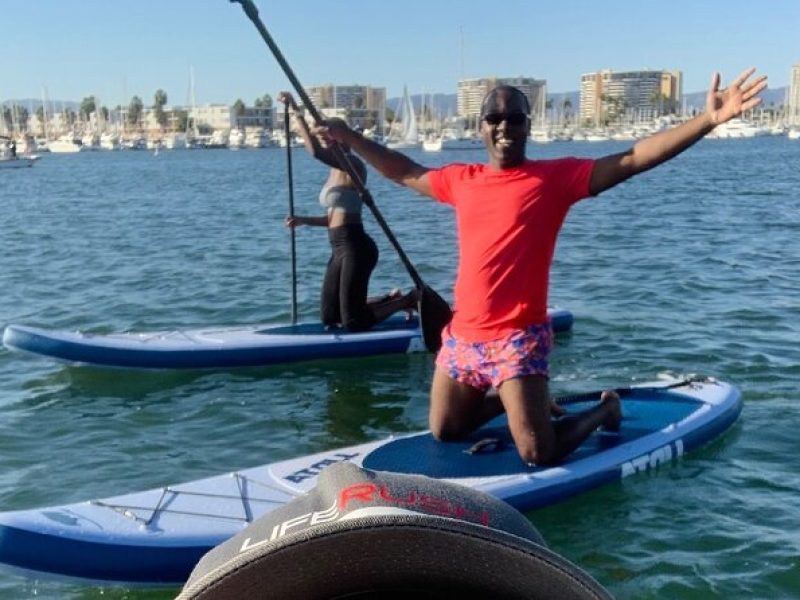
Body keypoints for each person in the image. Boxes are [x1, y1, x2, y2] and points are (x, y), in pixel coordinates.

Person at [313, 68, 767, 465]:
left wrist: (708, 120)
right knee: (446, 431)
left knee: (537, 451)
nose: (504, 126)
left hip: (517, 337)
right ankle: (522, 402)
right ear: (481, 127)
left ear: (528, 125)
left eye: (514, 118)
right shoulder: (461, 181)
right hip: (464, 336)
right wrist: (348, 136)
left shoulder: (555, 179)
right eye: (495, 119)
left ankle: (604, 410)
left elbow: (634, 158)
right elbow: (403, 170)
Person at [278, 92, 417, 332]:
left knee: (352, 322)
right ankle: (390, 299)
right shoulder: (334, 170)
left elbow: (314, 152)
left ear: (340, 139)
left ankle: (408, 300)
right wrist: (304, 220)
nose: (324, 141)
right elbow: (334, 218)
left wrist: (297, 113)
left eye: (328, 136)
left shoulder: (353, 164)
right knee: (330, 318)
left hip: (356, 247)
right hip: (339, 248)